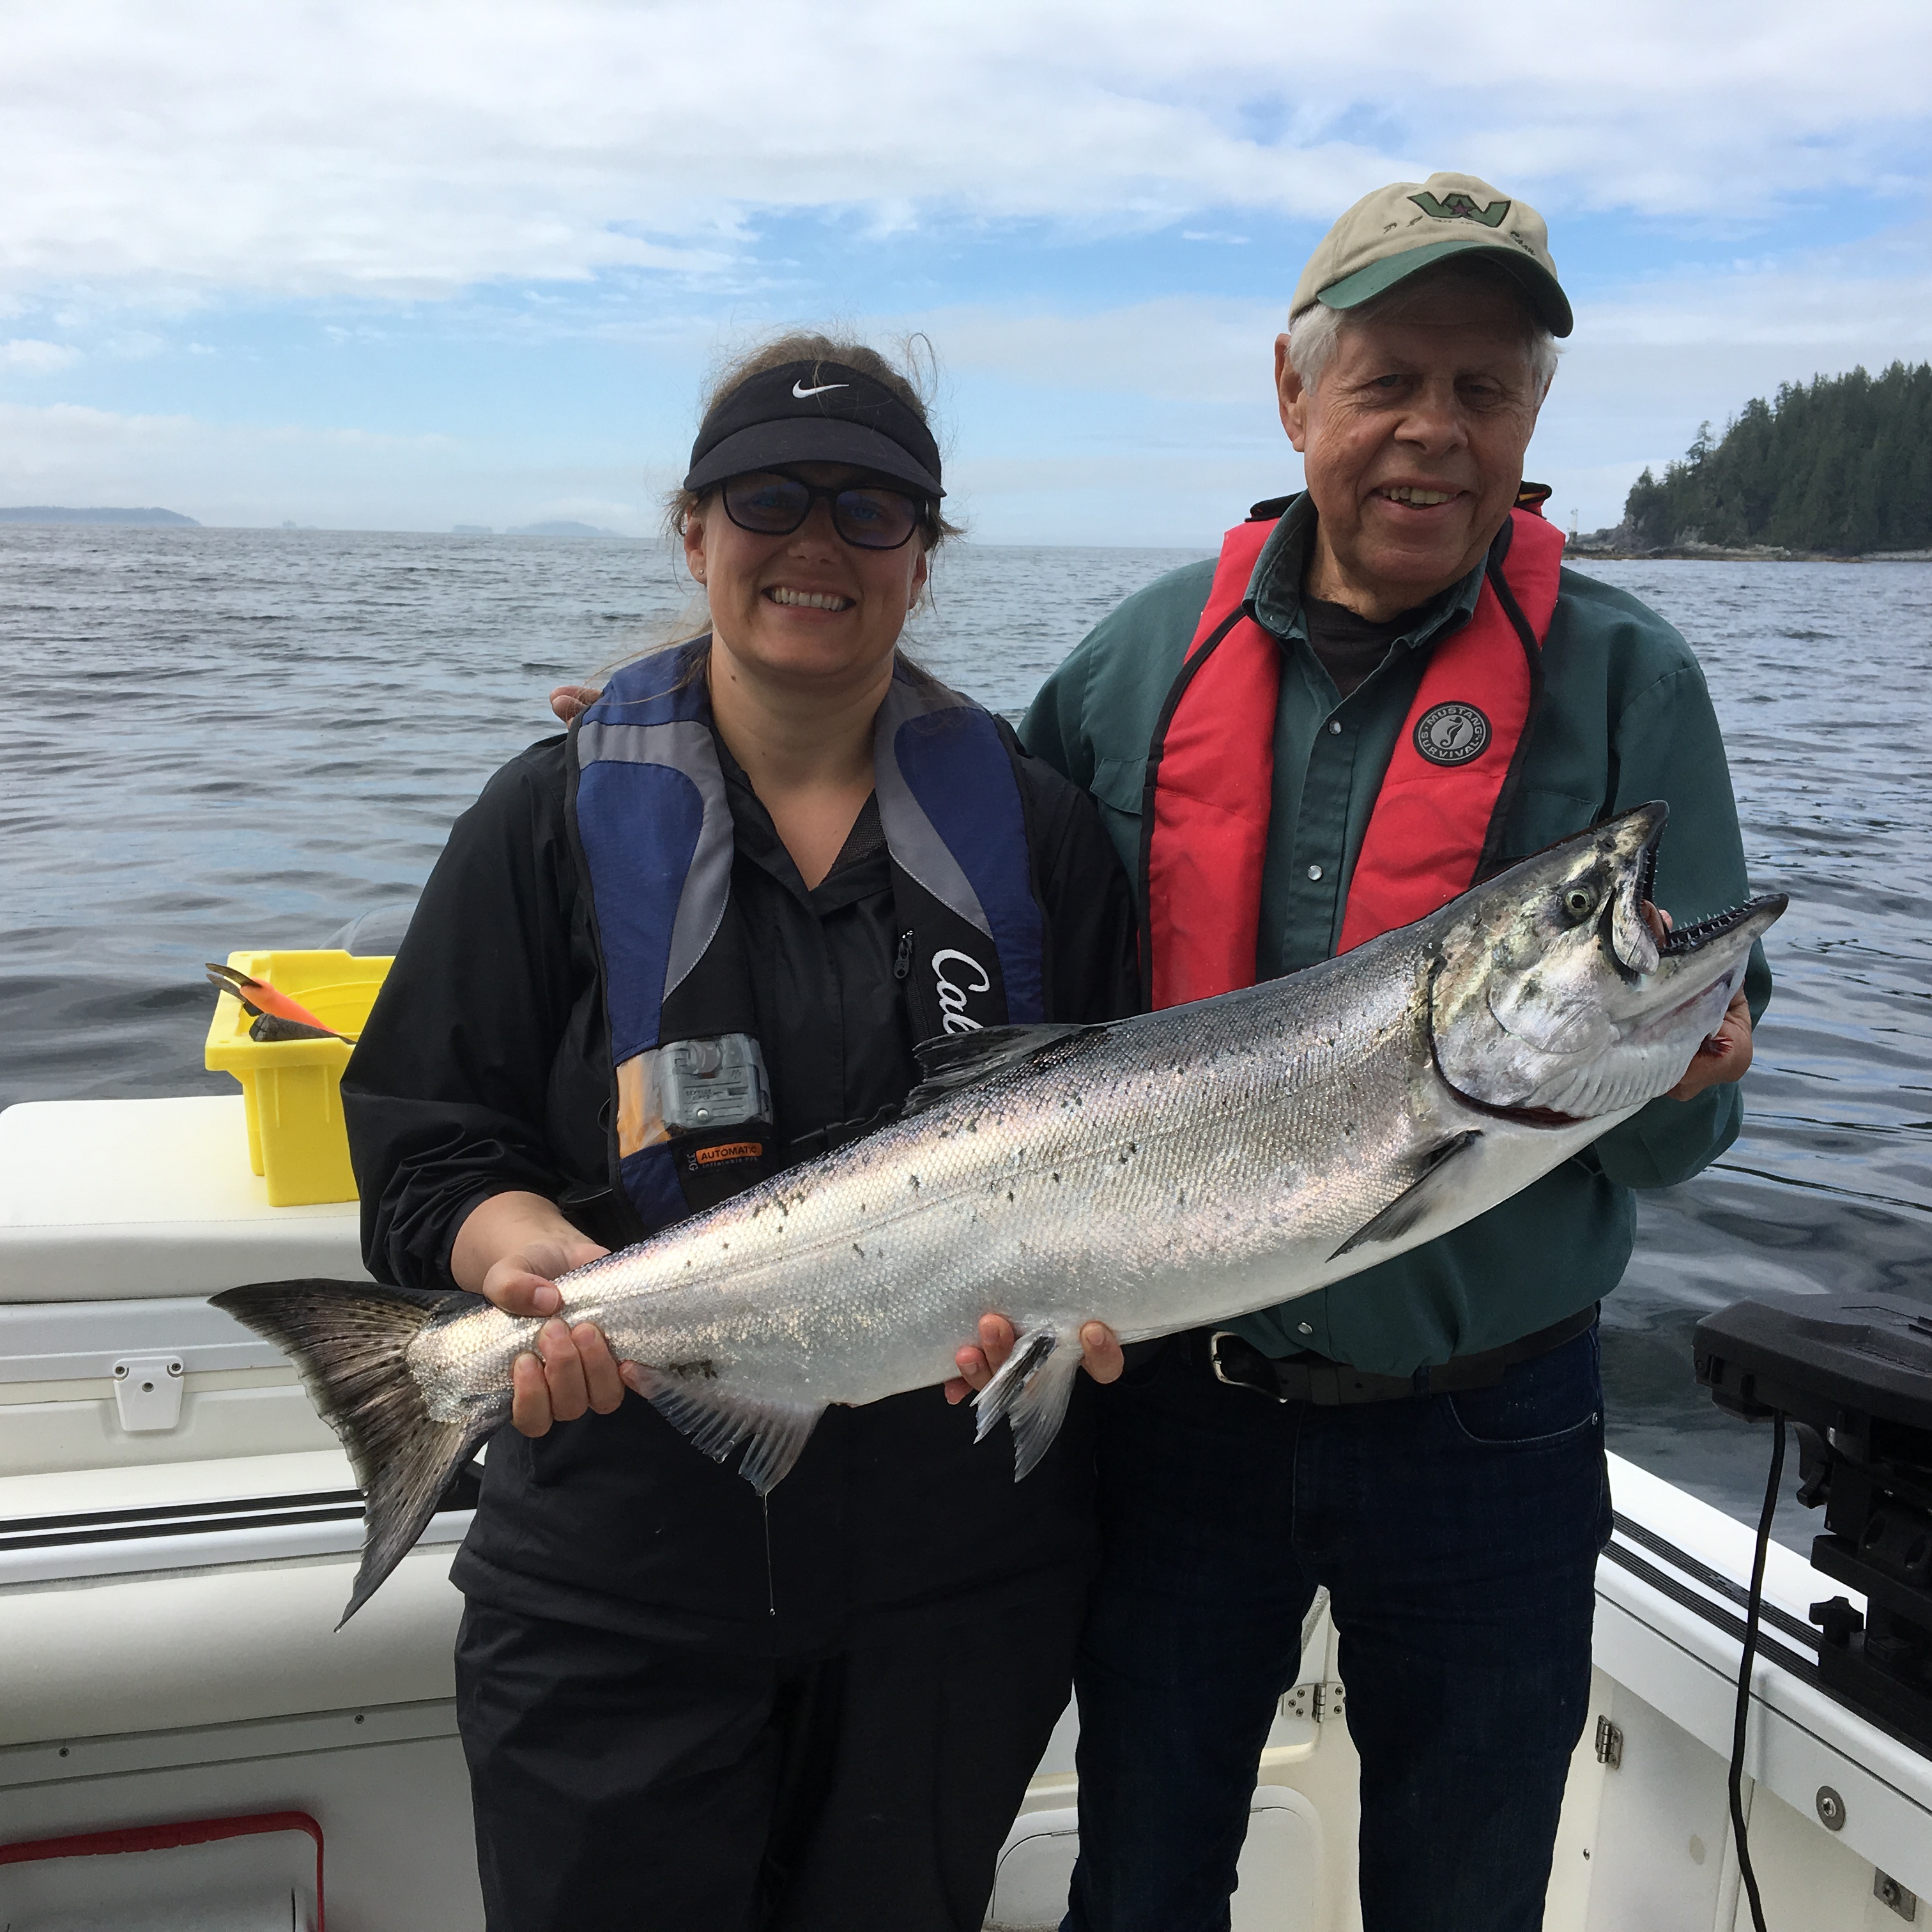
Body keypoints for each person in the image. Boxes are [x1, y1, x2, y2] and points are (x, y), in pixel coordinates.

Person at [989, 172, 1771, 1929]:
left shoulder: (1633, 681)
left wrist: (1676, 1076)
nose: (1433, 432)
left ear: (1534, 418)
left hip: (1489, 1420)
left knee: (1466, 1893)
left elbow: (1684, 1127)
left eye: (1483, 390)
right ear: (1294, 393)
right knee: (1142, 1882)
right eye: (1389, 380)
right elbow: (961, 911)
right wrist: (728, 716)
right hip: (1179, 1417)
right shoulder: (1131, 669)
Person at [341, 334, 1138, 1932]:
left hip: (952, 1592)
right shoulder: (544, 817)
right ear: (695, 532)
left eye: (873, 508)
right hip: (615, 1585)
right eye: (769, 498)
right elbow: (427, 1136)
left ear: (926, 559)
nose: (818, 544)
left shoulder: (1040, 831)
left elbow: (1125, 1136)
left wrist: (1106, 1306)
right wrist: (515, 1264)